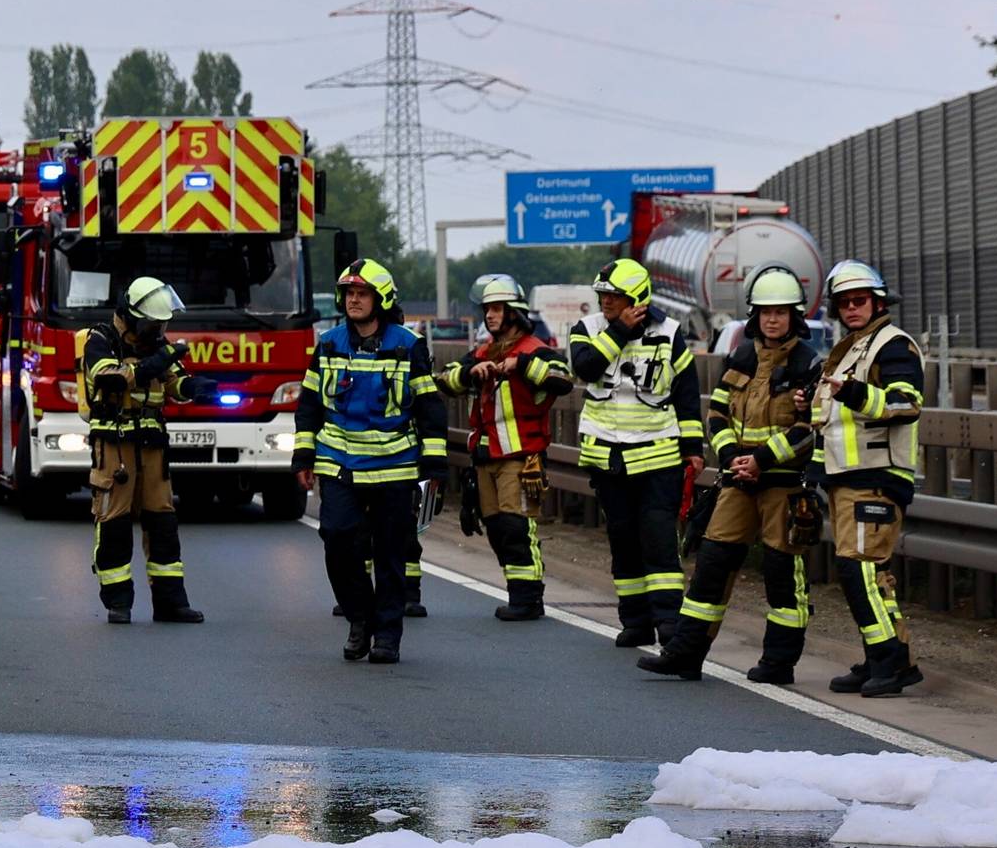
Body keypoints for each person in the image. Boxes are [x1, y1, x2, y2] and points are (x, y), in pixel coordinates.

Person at [643, 265, 821, 682]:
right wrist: (730, 457)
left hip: (783, 485)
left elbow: (809, 429)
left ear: (794, 316)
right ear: (755, 315)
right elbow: (717, 414)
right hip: (738, 481)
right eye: (765, 312)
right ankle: (685, 654)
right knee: (712, 563)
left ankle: (778, 664)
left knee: (782, 573)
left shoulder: (808, 365)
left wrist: (761, 460)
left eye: (780, 312)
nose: (772, 320)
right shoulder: (742, 357)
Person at [295, 259, 445, 663]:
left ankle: (387, 636)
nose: (354, 300)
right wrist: (303, 456)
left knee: (391, 554)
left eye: (362, 293)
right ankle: (360, 618)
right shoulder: (328, 344)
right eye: (349, 293)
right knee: (337, 539)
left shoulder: (408, 345)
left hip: (394, 465)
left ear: (381, 300)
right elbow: (309, 404)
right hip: (339, 462)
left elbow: (429, 408)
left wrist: (434, 467)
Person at [567, 258, 704, 649]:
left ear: (638, 298)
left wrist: (693, 449)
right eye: (603, 295)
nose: (606, 302)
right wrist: (619, 330)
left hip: (658, 457)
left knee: (659, 539)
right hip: (608, 458)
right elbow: (586, 368)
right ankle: (636, 622)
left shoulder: (670, 333)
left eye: (615, 296)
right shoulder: (587, 330)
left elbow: (686, 393)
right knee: (623, 539)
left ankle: (669, 623)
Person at [810, 260, 928, 697]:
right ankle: (893, 658)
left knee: (856, 567)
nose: (851, 308)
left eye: (859, 300)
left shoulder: (892, 345)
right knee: (873, 574)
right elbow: (829, 422)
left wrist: (854, 392)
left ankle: (887, 662)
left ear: (878, 302)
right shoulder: (850, 349)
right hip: (847, 477)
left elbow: (905, 404)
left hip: (876, 476)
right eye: (844, 303)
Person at [433, 274, 574, 621]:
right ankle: (518, 592)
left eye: (496, 309)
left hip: (520, 457)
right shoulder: (482, 352)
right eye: (487, 309)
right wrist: (470, 372)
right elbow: (444, 380)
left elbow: (562, 378)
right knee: (496, 528)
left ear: (514, 312)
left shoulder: (534, 349)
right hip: (485, 457)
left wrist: (521, 365)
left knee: (517, 527)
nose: (489, 315)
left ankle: (529, 599)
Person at [85, 277, 214, 625]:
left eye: (161, 325)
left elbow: (173, 382)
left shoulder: (156, 344)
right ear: (132, 317)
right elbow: (109, 378)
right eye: (153, 324)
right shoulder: (101, 340)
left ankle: (170, 603)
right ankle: (118, 601)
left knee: (162, 521)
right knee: (114, 521)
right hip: (115, 445)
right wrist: (154, 364)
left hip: (152, 444)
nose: (158, 331)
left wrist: (193, 387)